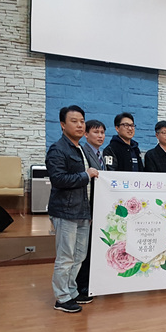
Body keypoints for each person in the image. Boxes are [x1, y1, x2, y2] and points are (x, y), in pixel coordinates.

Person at [46, 105, 99, 313]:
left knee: (79, 256)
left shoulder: (81, 149)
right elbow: (58, 179)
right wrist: (86, 175)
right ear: (62, 125)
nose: (79, 125)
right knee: (65, 257)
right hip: (65, 212)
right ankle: (61, 298)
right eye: (74, 121)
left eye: (82, 121)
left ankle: (71, 291)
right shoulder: (58, 149)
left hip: (83, 212)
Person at [76, 119, 116, 301]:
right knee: (84, 249)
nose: (100, 136)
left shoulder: (103, 154)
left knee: (97, 246)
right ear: (86, 134)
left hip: (101, 207)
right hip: (87, 206)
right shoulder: (83, 152)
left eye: (102, 133)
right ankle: (81, 284)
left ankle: (93, 281)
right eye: (96, 132)